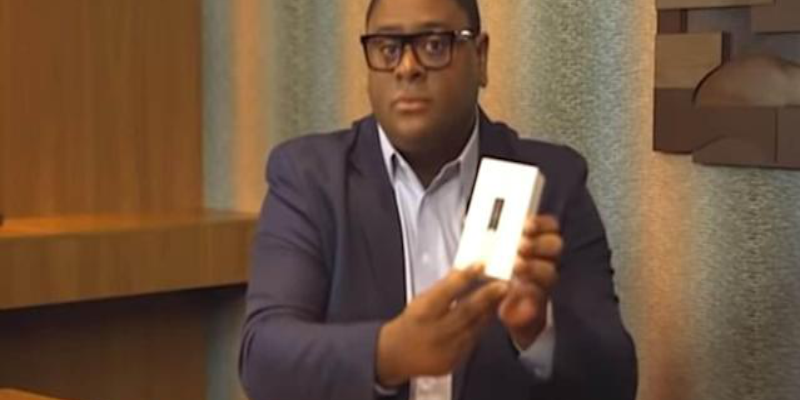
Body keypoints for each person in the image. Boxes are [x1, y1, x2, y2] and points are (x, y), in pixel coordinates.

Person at [239, 0, 637, 399]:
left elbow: (616, 383)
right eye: (387, 48)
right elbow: (262, 357)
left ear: (480, 57)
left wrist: (538, 331)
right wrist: (389, 353)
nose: (406, 67)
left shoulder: (553, 183)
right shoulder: (310, 179)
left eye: (433, 45)